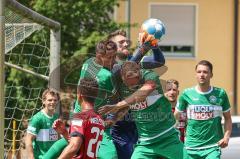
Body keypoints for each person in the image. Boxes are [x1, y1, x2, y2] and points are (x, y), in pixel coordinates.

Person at [99, 61, 186, 159]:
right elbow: (128, 105)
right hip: (145, 143)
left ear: (138, 76)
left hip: (167, 138)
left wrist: (117, 105)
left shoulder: (150, 76)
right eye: (126, 84)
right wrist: (111, 121)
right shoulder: (124, 85)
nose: (130, 88)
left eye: (132, 85)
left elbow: (142, 94)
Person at [107, 29, 166, 159]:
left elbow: (159, 61)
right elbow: (125, 71)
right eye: (121, 42)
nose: (126, 44)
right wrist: (142, 49)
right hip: (119, 126)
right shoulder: (110, 65)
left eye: (126, 41)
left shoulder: (134, 60)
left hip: (139, 124)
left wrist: (154, 45)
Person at [174, 60, 232, 159]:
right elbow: (175, 117)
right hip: (190, 147)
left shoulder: (221, 93)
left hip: (212, 147)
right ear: (195, 74)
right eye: (199, 72)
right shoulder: (186, 94)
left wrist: (226, 137)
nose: (202, 75)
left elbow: (228, 118)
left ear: (211, 75)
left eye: (205, 72)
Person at [53, 78, 105, 159]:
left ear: (79, 94)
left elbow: (74, 146)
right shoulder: (100, 119)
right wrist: (65, 133)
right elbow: (82, 145)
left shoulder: (80, 117)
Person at [26, 88, 60, 159]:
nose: (53, 102)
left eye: (55, 100)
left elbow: (58, 138)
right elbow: (28, 139)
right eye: (50, 100)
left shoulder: (57, 117)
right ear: (43, 101)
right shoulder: (37, 118)